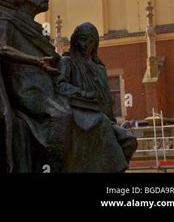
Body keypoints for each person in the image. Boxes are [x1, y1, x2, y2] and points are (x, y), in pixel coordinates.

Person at [0, 0, 72, 172]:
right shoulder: (6, 23)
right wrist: (35, 60)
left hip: (45, 87)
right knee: (61, 115)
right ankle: (55, 166)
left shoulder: (37, 30)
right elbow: (2, 48)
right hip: (25, 89)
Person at [55, 22, 137, 173]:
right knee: (101, 126)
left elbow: (106, 100)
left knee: (129, 140)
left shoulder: (99, 68)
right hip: (79, 115)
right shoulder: (67, 62)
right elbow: (60, 86)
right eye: (82, 39)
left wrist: (113, 121)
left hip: (103, 116)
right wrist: (84, 94)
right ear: (75, 40)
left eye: (91, 40)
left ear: (96, 43)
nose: (86, 44)